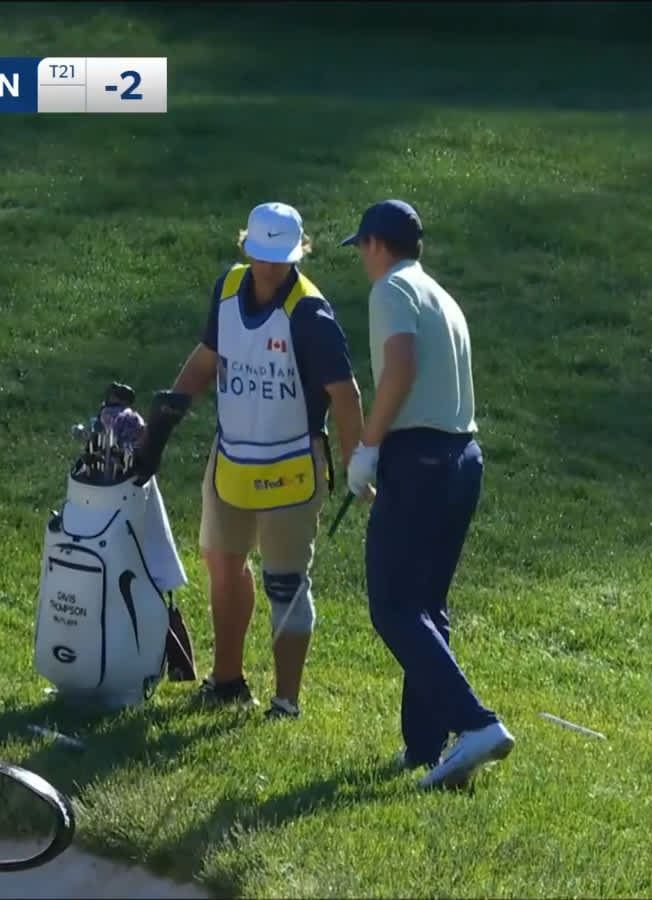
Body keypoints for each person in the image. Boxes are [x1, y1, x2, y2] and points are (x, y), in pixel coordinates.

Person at [132, 202, 366, 720]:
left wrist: (357, 462)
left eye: (279, 257)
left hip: (291, 467)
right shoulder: (229, 288)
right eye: (261, 255)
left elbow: (344, 394)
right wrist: (167, 415)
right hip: (232, 457)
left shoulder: (311, 314)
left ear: (299, 252)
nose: (268, 267)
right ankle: (227, 679)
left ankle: (286, 701)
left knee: (285, 583)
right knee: (221, 564)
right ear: (247, 248)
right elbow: (208, 357)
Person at [341, 200, 514, 790]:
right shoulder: (440, 294)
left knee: (392, 606)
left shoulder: (391, 289)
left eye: (361, 247)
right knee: (425, 606)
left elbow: (401, 366)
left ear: (376, 245)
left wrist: (367, 446)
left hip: (418, 459)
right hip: (463, 458)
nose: (362, 259)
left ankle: (475, 724)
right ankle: (427, 749)